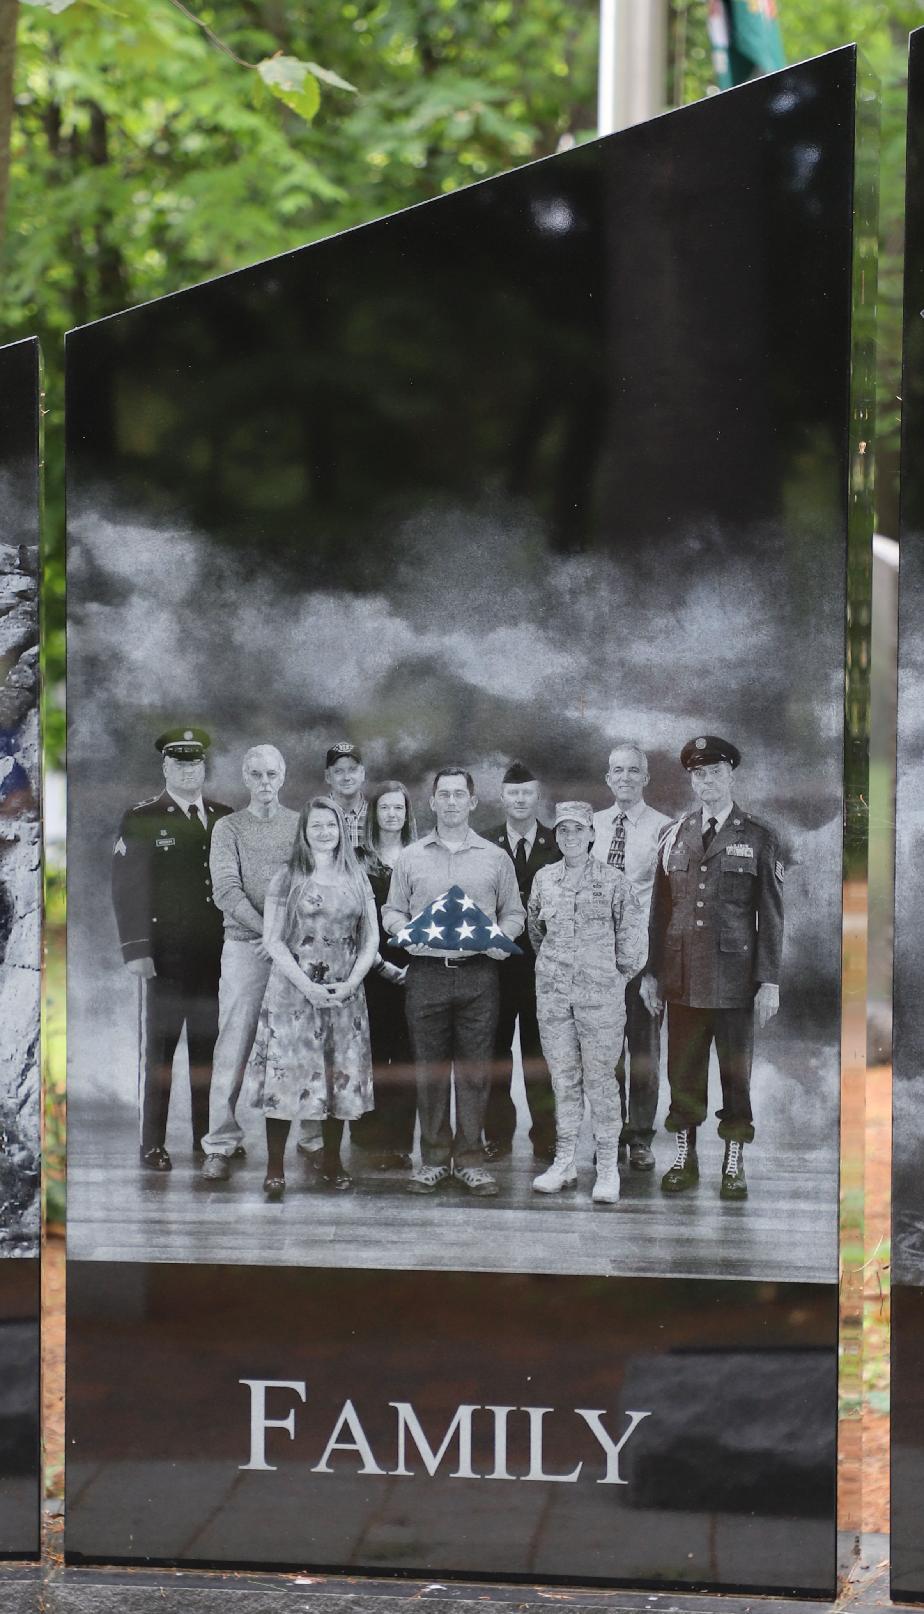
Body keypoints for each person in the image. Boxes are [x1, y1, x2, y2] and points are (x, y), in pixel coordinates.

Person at [640, 736, 784, 1201]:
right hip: (681, 980)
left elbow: (772, 914)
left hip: (735, 981)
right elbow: (660, 913)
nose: (707, 782)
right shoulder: (675, 834)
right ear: (691, 779)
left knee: (735, 1075)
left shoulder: (757, 835)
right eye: (698, 774)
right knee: (682, 1072)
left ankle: (734, 1160)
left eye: (715, 772)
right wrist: (651, 974)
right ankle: (685, 1156)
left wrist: (769, 982)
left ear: (731, 775)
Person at [382, 765, 525, 1197]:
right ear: (432, 803)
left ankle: (469, 1161)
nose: (450, 802)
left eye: (458, 794)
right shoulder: (410, 856)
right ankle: (433, 1161)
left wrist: (505, 938)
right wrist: (399, 931)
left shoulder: (495, 857)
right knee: (429, 1072)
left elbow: (515, 913)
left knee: (475, 1072)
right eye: (442, 795)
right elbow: (392, 911)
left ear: (472, 801)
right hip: (425, 975)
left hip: (479, 974)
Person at [111, 727, 232, 1172]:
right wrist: (136, 950)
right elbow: (127, 888)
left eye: (195, 763)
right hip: (165, 957)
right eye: (179, 764)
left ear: (204, 768)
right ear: (165, 768)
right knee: (162, 1054)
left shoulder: (223, 816)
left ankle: (208, 1142)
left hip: (216, 957)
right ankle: (152, 1144)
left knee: (208, 1051)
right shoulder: (143, 816)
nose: (188, 771)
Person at [247, 796, 379, 1200]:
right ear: (304, 832)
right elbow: (272, 939)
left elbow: (371, 937)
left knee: (337, 1077)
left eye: (332, 825)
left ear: (343, 830)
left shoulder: (358, 877)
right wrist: (307, 987)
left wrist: (352, 982)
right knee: (286, 1080)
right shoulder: (287, 878)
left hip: (343, 993)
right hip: (293, 992)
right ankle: (274, 1169)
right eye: (317, 826)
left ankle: (332, 1163)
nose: (325, 833)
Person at [528, 802, 646, 1205]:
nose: (570, 838)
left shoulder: (613, 881)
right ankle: (564, 1162)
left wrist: (609, 979)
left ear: (592, 834)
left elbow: (632, 945)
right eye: (563, 831)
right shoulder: (545, 879)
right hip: (555, 998)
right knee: (563, 1080)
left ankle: (608, 1167)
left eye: (577, 830)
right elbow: (535, 931)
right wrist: (560, 972)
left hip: (601, 1001)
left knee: (601, 1081)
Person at [199, 745, 299, 1182]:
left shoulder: (300, 825)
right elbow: (226, 890)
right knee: (234, 1042)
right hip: (245, 947)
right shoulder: (228, 828)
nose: (264, 783)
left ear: (283, 776)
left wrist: (284, 938)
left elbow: (311, 884)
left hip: (296, 948)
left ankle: (311, 1140)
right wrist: (267, 933)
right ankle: (221, 1142)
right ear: (244, 776)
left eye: (271, 774)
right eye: (256, 774)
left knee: (301, 1042)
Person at [591, 742, 671, 1171]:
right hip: (598, 959)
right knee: (604, 1054)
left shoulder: (664, 828)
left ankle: (640, 1137)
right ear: (608, 778)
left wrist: (654, 970)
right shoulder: (590, 826)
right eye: (616, 771)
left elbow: (667, 905)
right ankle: (608, 1133)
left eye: (632, 771)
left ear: (645, 778)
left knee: (643, 1053)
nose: (624, 777)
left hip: (642, 959)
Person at [483, 761, 560, 1163]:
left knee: (540, 1054)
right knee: (495, 1053)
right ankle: (495, 1135)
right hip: (494, 966)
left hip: (543, 969)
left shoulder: (559, 843)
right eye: (513, 793)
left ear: (537, 796)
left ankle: (545, 1137)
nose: (519, 799)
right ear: (502, 797)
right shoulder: (483, 842)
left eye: (527, 792)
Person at [352, 780, 417, 1169]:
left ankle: (400, 1142)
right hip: (369, 968)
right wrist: (379, 964)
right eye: (384, 808)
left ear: (408, 813)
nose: (392, 815)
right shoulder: (357, 859)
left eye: (399, 808)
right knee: (371, 1055)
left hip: (413, 969)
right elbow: (353, 919)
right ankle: (368, 1141)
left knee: (406, 1056)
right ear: (372, 815)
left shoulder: (422, 855)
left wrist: (414, 964)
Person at [324, 742, 367, 848]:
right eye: (338, 771)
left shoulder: (377, 813)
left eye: (353, 770)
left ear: (362, 774)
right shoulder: (316, 815)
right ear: (328, 776)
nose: (346, 777)